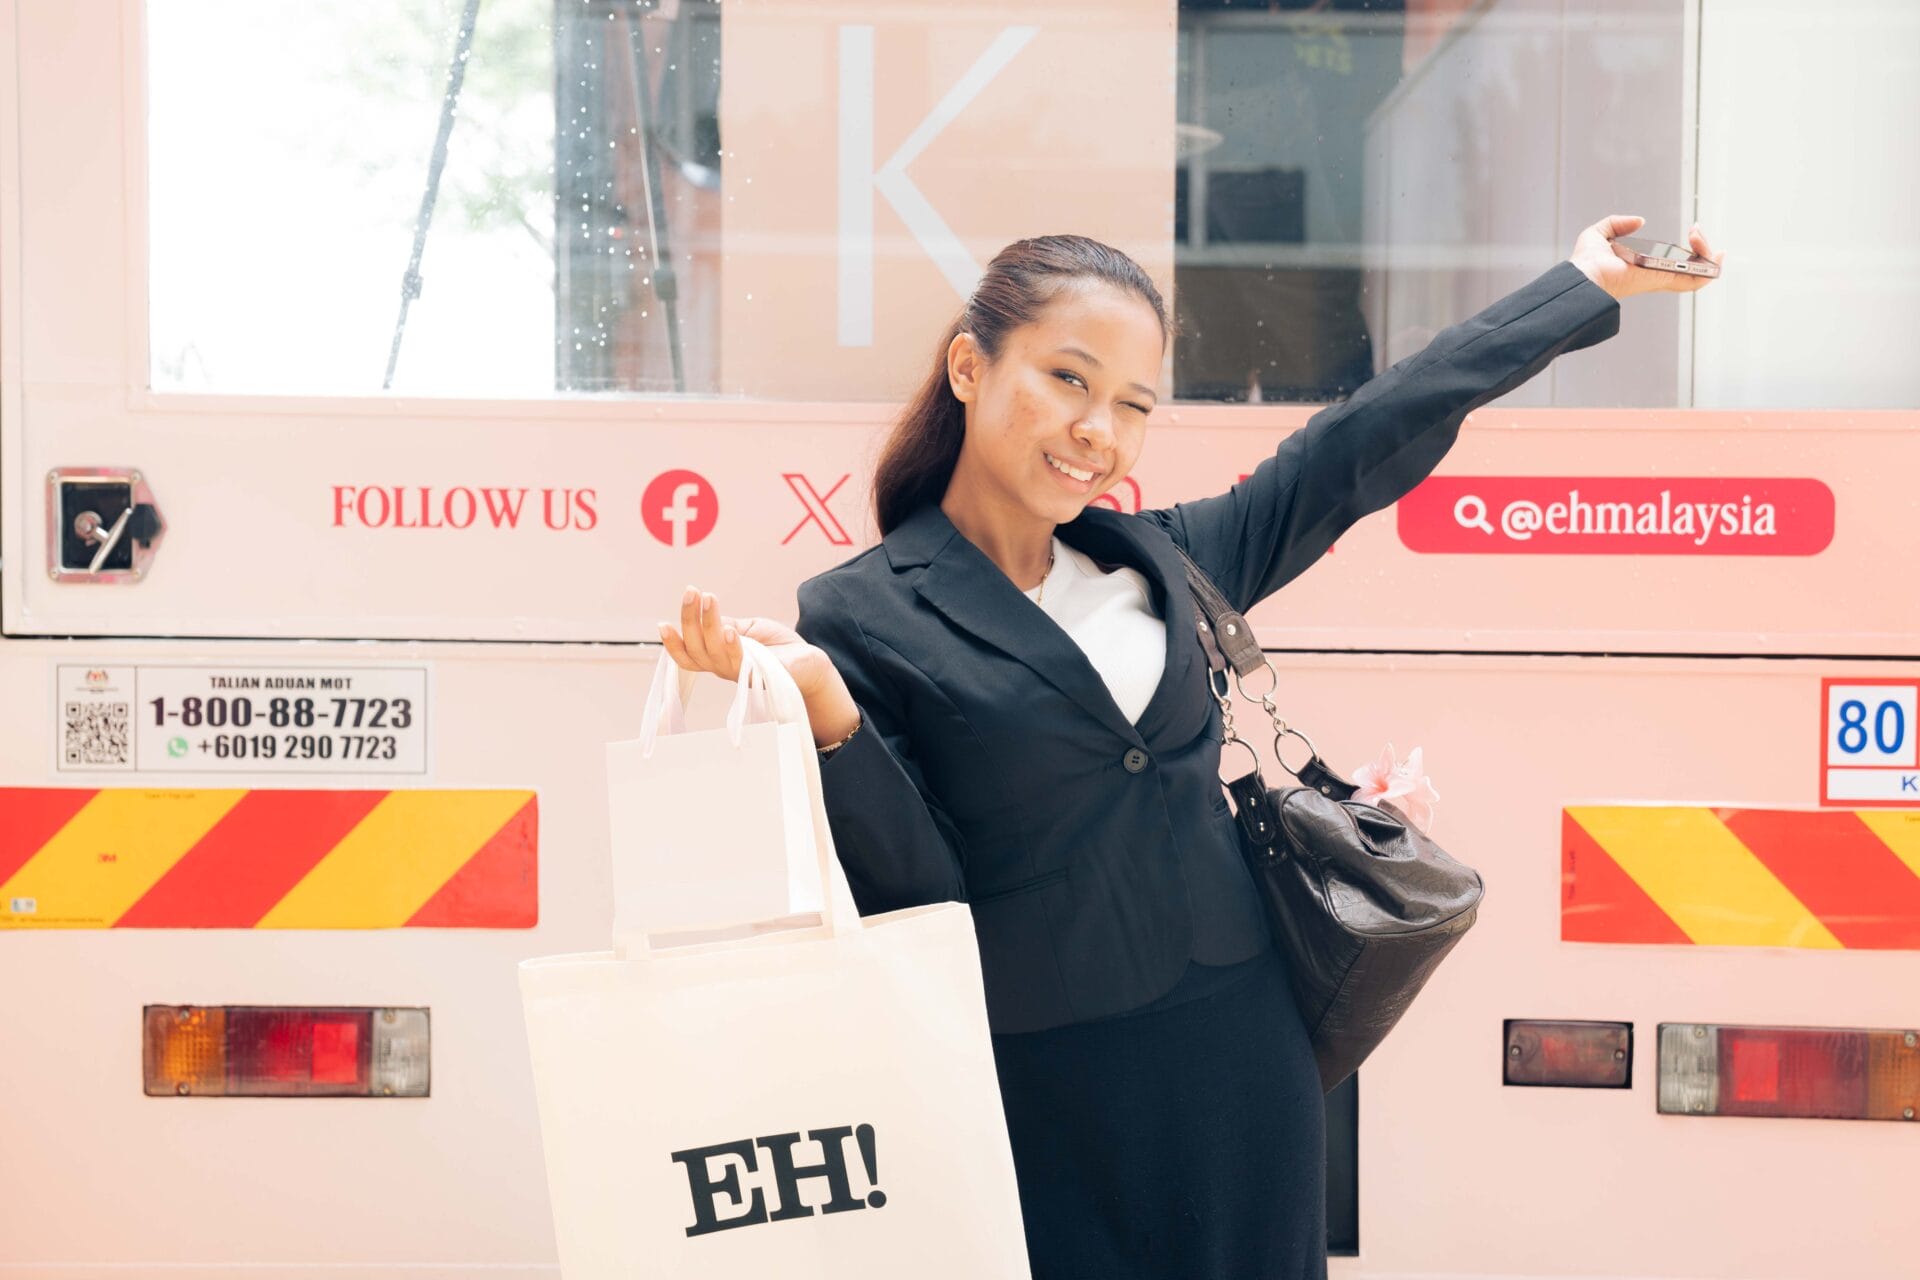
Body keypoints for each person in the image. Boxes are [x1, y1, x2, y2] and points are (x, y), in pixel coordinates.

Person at [658, 213, 1724, 1279]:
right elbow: (923, 896)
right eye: (1069, 380)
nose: (1099, 430)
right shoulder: (858, 612)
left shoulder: (1165, 559)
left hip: (1244, 1059)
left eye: (1133, 404)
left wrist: (1581, 286)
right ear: (970, 368)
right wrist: (829, 714)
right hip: (1045, 1091)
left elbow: (1362, 440)